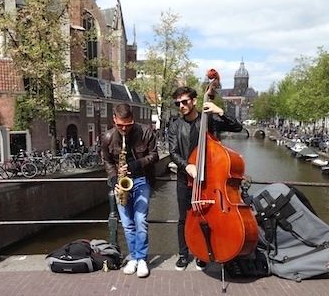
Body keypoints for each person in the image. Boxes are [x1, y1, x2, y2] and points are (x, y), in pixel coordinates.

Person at [168, 86, 243, 271]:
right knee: (184, 218)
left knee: (207, 216)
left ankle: (203, 254)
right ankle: (184, 254)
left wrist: (221, 112)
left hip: (210, 180)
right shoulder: (176, 126)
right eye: (178, 103)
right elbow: (173, 152)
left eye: (184, 102)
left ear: (194, 101)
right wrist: (187, 166)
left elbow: (238, 127)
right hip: (186, 180)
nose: (181, 106)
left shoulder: (210, 120)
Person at [101, 103, 159, 278]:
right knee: (127, 223)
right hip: (122, 182)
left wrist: (136, 164)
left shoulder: (146, 131)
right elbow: (107, 161)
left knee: (140, 220)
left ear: (133, 119)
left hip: (142, 179)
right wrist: (113, 181)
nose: (124, 128)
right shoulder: (108, 137)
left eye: (128, 124)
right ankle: (133, 257)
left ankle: (141, 259)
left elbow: (155, 155)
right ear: (114, 119)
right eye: (120, 125)